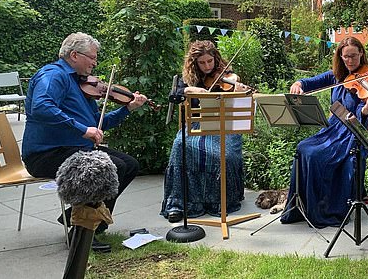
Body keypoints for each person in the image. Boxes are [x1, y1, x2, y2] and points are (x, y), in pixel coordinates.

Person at [22, 32, 148, 253]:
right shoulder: (53, 75)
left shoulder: (81, 84)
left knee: (129, 165)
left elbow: (98, 123)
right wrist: (82, 130)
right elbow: (41, 107)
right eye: (92, 57)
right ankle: (81, 233)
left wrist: (127, 108)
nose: (95, 63)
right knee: (107, 168)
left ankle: (84, 221)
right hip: (46, 153)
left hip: (73, 148)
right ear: (74, 55)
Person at [280, 36, 368, 228]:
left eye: (353, 55)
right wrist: (298, 84)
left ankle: (323, 208)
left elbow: (360, 114)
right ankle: (302, 206)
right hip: (332, 129)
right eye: (346, 57)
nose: (350, 61)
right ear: (340, 57)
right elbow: (308, 82)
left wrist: (367, 109)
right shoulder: (334, 76)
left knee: (315, 154)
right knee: (303, 147)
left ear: (361, 53)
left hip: (351, 133)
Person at [160, 40, 250, 223]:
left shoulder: (228, 77)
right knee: (180, 145)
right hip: (197, 125)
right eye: (202, 63)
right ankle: (179, 203)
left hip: (225, 126)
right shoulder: (188, 78)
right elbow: (174, 95)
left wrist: (239, 92)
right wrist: (189, 89)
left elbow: (241, 103)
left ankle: (219, 201)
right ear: (194, 63)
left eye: (210, 61)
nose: (207, 66)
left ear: (216, 59)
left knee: (225, 155)